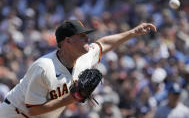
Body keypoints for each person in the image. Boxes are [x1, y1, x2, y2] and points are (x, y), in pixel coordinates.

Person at [0, 20, 157, 118]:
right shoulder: (44, 67)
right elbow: (33, 110)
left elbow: (104, 44)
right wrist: (70, 99)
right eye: (82, 36)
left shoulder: (85, 57)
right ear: (67, 41)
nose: (87, 38)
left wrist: (133, 32)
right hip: (15, 114)